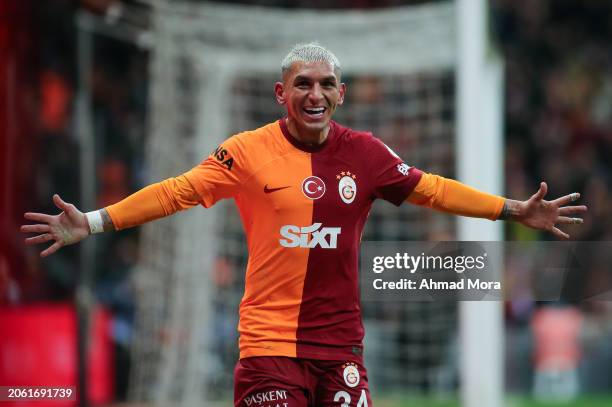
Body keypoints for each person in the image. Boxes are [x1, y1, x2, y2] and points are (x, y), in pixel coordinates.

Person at [22, 43, 587, 407]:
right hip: (269, 346)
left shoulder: (365, 155)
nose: (314, 94)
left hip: (341, 348)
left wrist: (513, 210)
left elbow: (433, 189)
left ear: (339, 94)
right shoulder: (245, 153)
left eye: (325, 84)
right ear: (282, 94)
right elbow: (176, 192)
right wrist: (93, 222)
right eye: (302, 84)